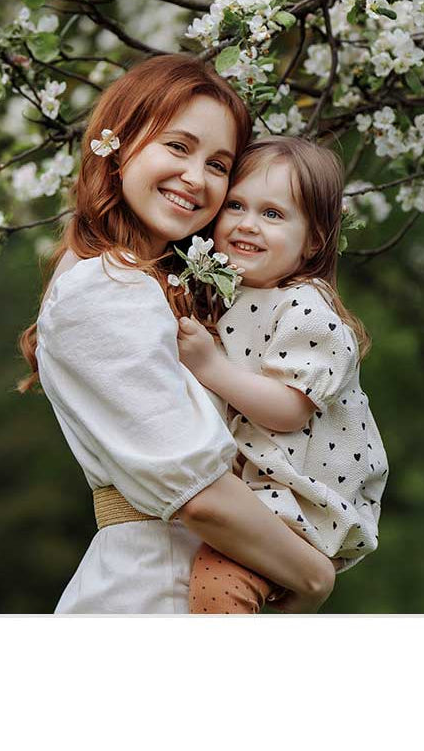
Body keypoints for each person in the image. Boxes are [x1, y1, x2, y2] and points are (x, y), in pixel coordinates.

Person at [18, 55, 337, 614]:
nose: (196, 178)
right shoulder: (104, 286)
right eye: (178, 146)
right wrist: (313, 577)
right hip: (149, 590)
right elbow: (200, 496)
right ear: (117, 143)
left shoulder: (143, 284)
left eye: (219, 165)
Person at [176, 136, 389, 614]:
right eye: (236, 205)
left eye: (273, 214)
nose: (247, 224)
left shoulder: (307, 307)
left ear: (313, 239)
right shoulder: (228, 292)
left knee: (218, 585)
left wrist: (210, 367)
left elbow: (289, 409)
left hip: (299, 501)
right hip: (263, 493)